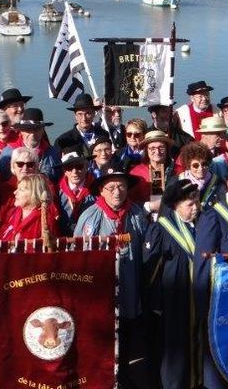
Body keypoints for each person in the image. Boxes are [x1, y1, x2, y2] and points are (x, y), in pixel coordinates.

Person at [74, 165, 149, 385]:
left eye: (122, 186)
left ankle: (123, 376)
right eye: (111, 187)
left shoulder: (136, 214)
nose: (117, 192)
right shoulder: (91, 217)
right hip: (100, 291)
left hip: (130, 287)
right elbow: (80, 255)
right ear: (101, 191)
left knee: (125, 335)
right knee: (101, 338)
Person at [143, 179, 202, 389]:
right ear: (176, 206)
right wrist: (156, 303)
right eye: (190, 204)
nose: (195, 208)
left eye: (197, 202)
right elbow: (151, 272)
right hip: (173, 300)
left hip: (198, 297)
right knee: (174, 349)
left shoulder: (202, 226)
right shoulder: (161, 230)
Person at [0, 108, 60, 182]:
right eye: (28, 130)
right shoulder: (8, 153)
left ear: (43, 130)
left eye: (37, 129)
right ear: (21, 131)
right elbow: (2, 181)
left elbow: (57, 181)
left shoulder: (53, 153)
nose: (32, 134)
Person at [0, 173, 60, 240]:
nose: (15, 192)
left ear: (34, 193)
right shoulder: (12, 214)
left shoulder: (45, 221)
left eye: (21, 190)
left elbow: (49, 248)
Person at [130, 130, 176, 211]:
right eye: (152, 148)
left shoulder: (178, 170)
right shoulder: (136, 173)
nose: (157, 152)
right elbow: (131, 202)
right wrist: (149, 207)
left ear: (167, 149)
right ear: (146, 150)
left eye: (161, 147)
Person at [54, 93, 110, 159]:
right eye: (80, 114)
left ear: (94, 114)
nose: (84, 118)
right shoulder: (64, 141)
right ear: (75, 116)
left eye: (88, 113)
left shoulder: (104, 135)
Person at [175, 141, 226, 209]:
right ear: (188, 166)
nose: (201, 168)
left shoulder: (218, 184)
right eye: (195, 165)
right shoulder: (176, 182)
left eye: (204, 164)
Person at [56, 148, 95, 236]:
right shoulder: (56, 192)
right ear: (64, 171)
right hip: (63, 239)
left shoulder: (97, 190)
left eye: (79, 167)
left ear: (86, 167)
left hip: (90, 238)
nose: (74, 172)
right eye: (69, 168)